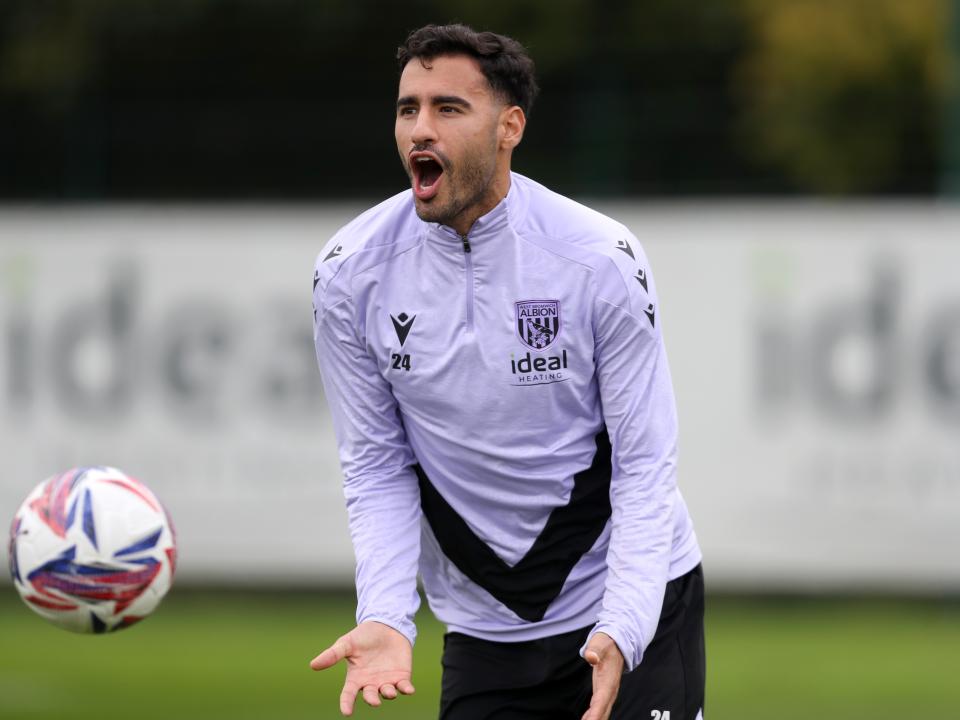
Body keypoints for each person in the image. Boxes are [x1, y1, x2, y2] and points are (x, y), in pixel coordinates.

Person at [310, 23, 705, 720]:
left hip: (631, 604)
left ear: (509, 127)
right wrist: (386, 614)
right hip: (485, 630)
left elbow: (645, 463)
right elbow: (375, 465)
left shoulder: (599, 259)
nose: (420, 129)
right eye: (408, 109)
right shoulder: (349, 274)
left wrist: (624, 626)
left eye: (448, 108)